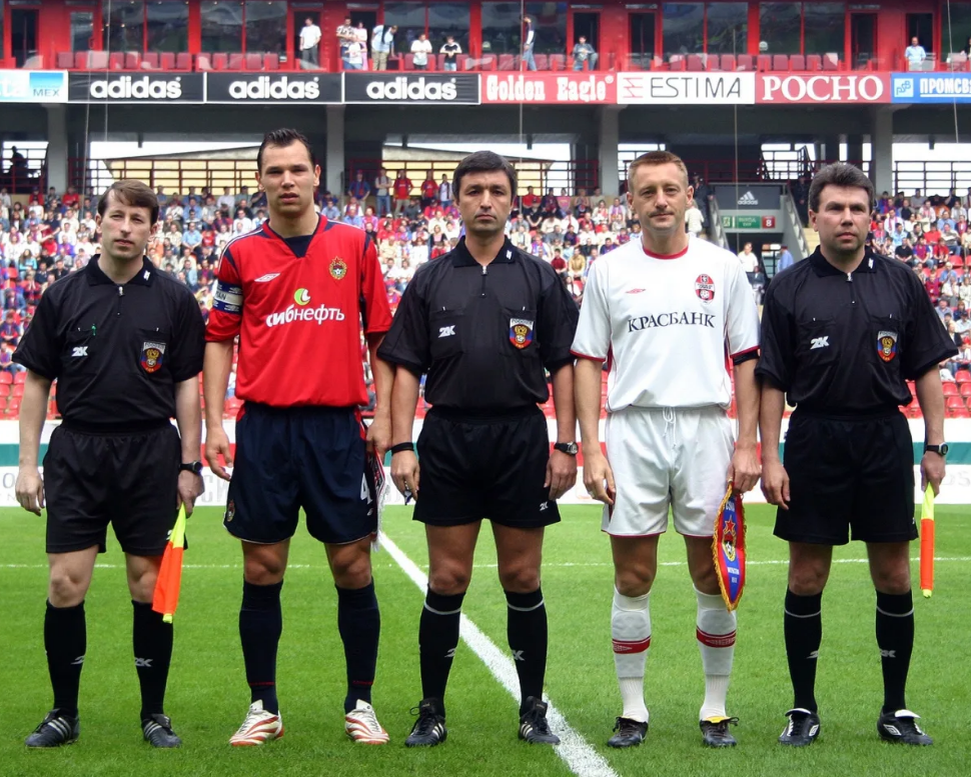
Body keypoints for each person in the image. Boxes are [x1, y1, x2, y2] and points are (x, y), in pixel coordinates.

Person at [378, 151, 579, 747]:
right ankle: (431, 709)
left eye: (496, 190)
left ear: (512, 201)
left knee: (522, 575)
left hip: (521, 437)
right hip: (448, 438)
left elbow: (564, 365)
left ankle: (533, 708)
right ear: (457, 200)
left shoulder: (540, 277)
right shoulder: (430, 278)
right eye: (473, 191)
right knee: (447, 577)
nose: (485, 200)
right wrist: (401, 445)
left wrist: (566, 444)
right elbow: (405, 368)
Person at [204, 129, 395, 747]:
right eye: (274, 171)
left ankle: (361, 703)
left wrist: (385, 417)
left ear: (316, 174)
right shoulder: (239, 254)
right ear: (260, 180)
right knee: (262, 566)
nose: (286, 180)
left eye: (296, 169)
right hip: (265, 429)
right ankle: (263, 705)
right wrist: (214, 423)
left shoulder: (355, 244)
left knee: (352, 564)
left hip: (337, 428)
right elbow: (219, 340)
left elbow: (380, 337)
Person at [757, 163, 955, 748]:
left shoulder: (902, 282)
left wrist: (935, 446)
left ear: (871, 216)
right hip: (814, 439)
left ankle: (895, 708)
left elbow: (926, 369)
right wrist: (771, 457)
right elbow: (772, 381)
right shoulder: (788, 288)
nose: (847, 218)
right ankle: (803, 707)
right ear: (813, 216)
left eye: (857, 209)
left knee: (893, 575)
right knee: (806, 575)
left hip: (883, 438)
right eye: (835, 208)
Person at [572, 150, 761, 749]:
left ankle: (715, 709)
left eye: (670, 189)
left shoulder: (723, 267)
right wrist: (591, 448)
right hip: (633, 430)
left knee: (712, 573)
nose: (660, 200)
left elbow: (746, 359)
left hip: (707, 428)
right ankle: (633, 710)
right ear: (630, 200)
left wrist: (748, 442)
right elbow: (588, 361)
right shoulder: (607, 270)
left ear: (688, 196)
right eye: (647, 190)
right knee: (633, 575)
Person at [14, 180, 206, 748]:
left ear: (152, 230)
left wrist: (190, 463)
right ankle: (63, 713)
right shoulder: (62, 295)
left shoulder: (174, 299)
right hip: (78, 451)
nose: (126, 227)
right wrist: (28, 464)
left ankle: (154, 715)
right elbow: (36, 383)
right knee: (64, 583)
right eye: (117, 216)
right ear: (98, 222)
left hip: (151, 453)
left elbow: (187, 387)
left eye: (138, 219)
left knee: (149, 587)